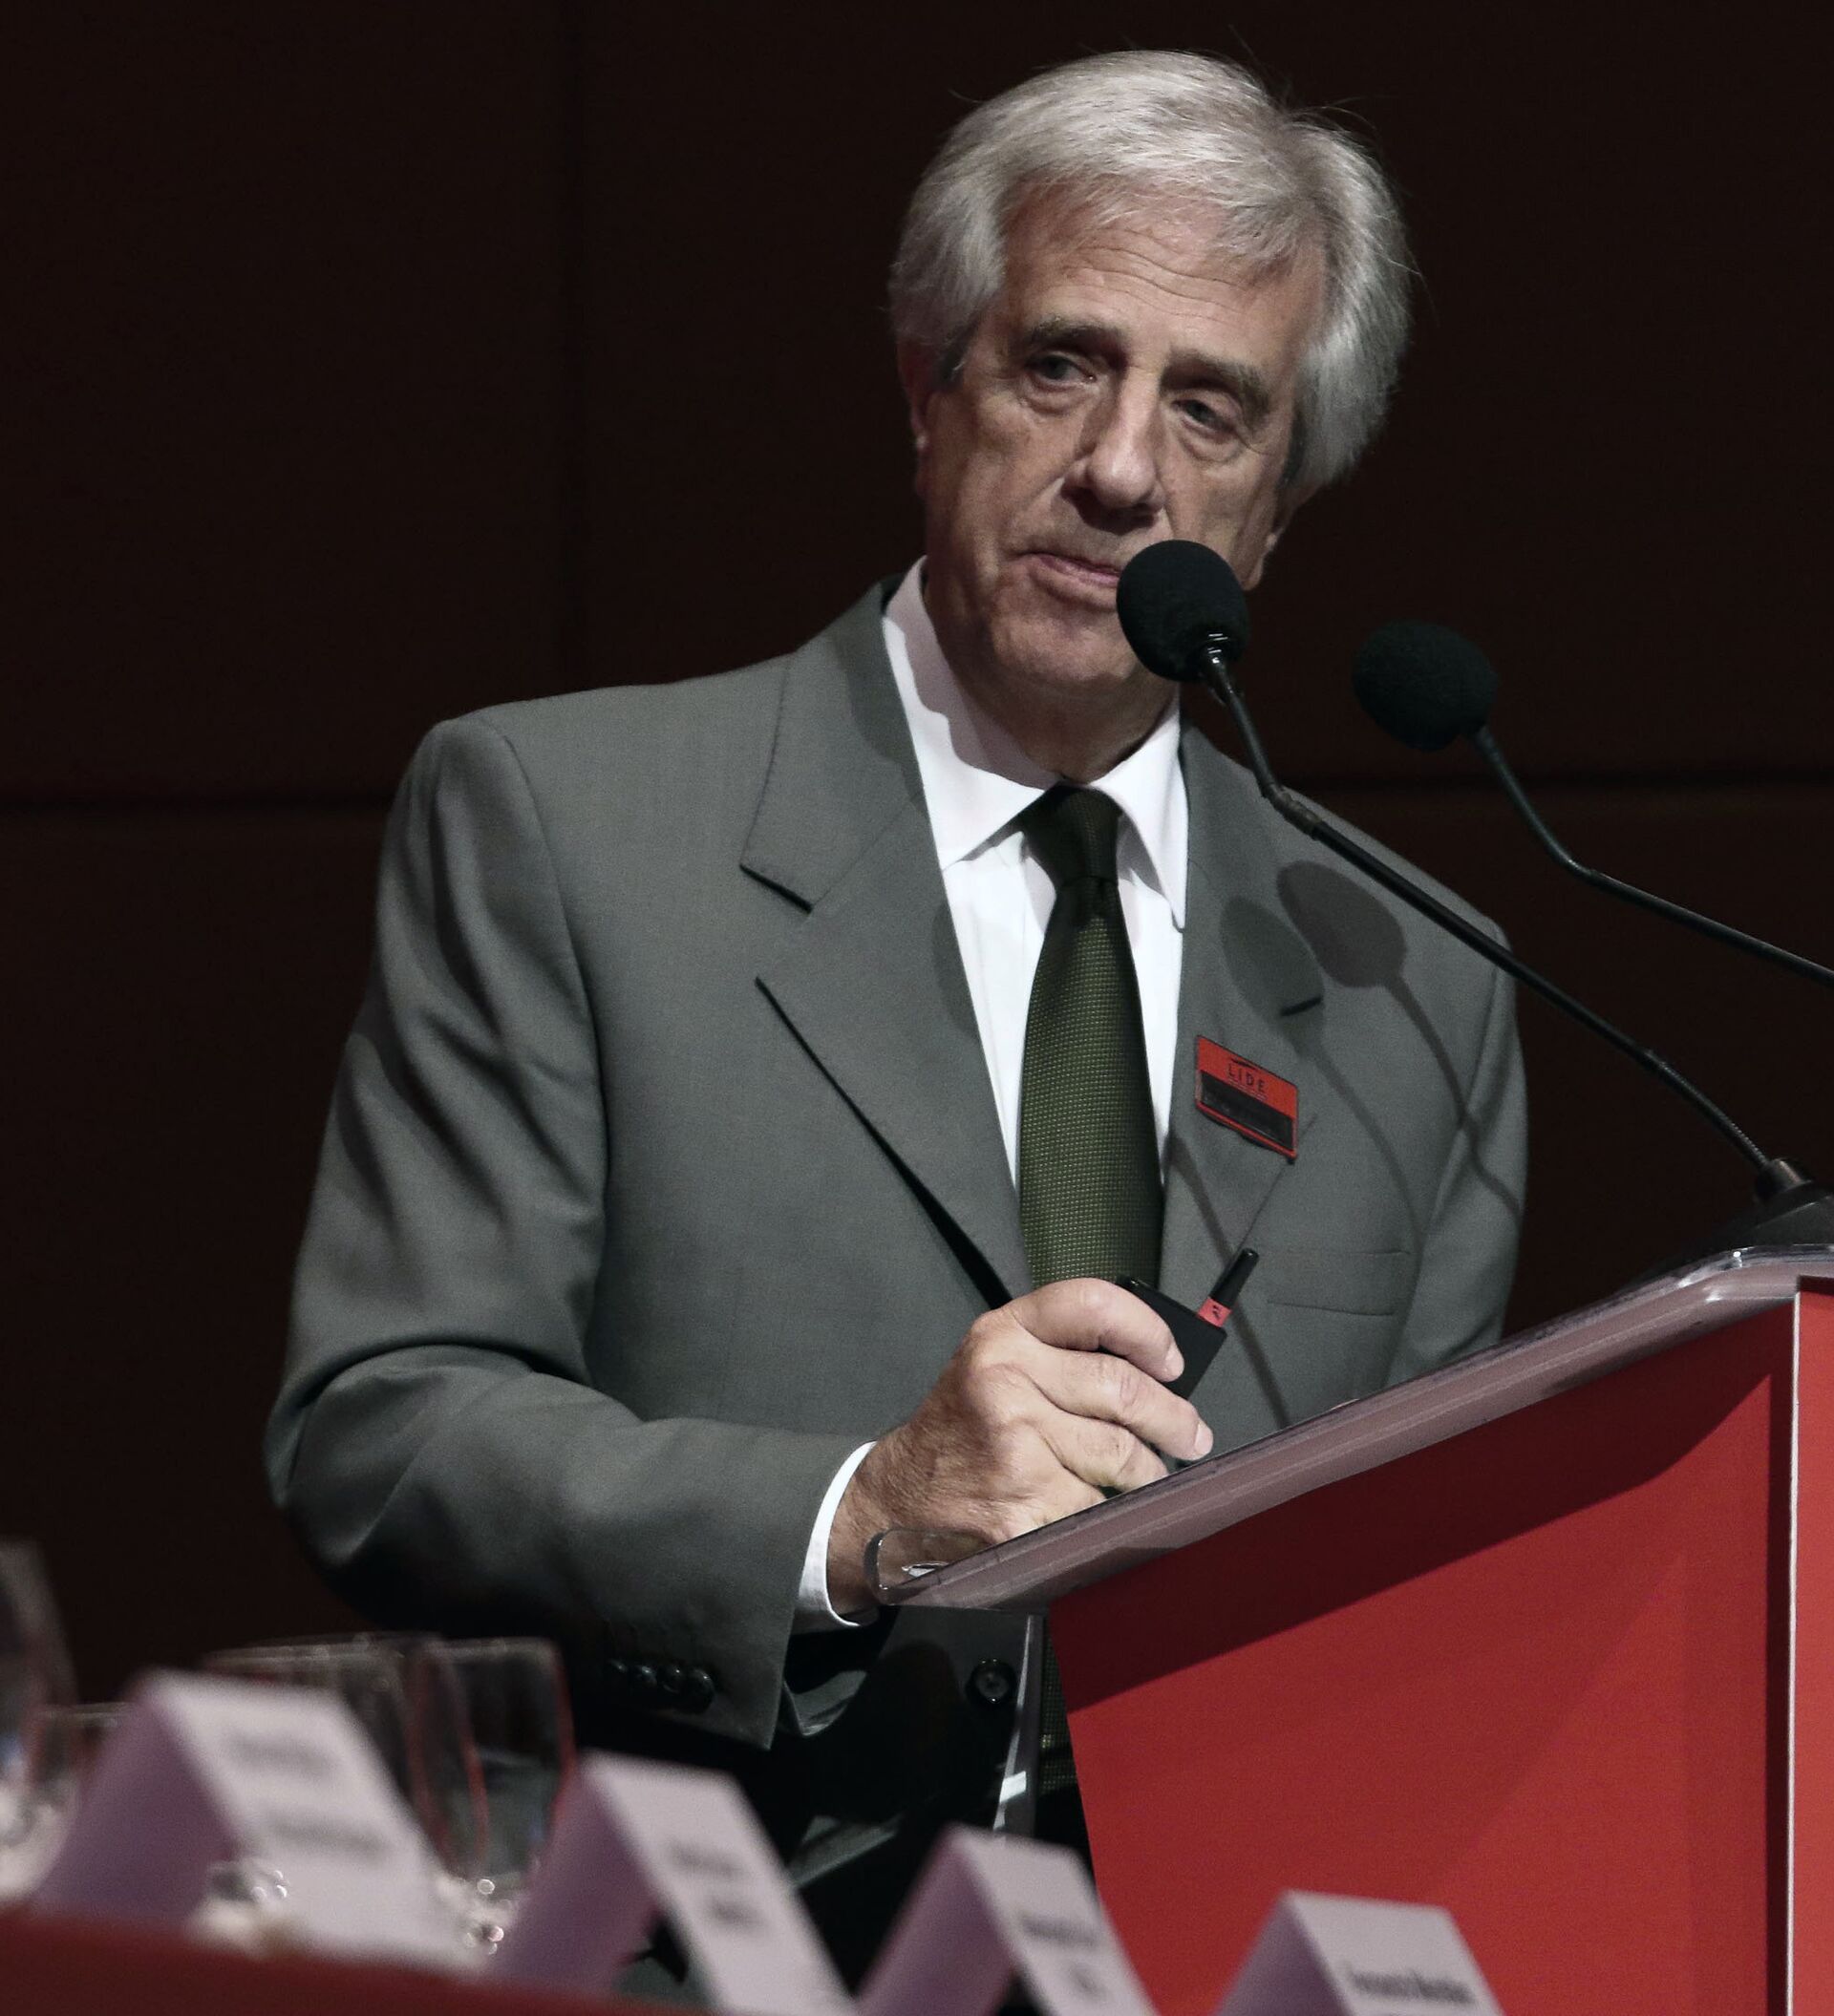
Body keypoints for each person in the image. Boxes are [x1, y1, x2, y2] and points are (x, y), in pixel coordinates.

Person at [267, 44, 1524, 1950]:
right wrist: (855, 1515)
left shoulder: (1414, 980)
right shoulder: (571, 828)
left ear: (1277, 509)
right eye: (1060, 366)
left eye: (1210, 409)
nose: (1122, 470)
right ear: (929, 392)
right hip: (703, 1954)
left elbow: (1422, 1613)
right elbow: (381, 1430)